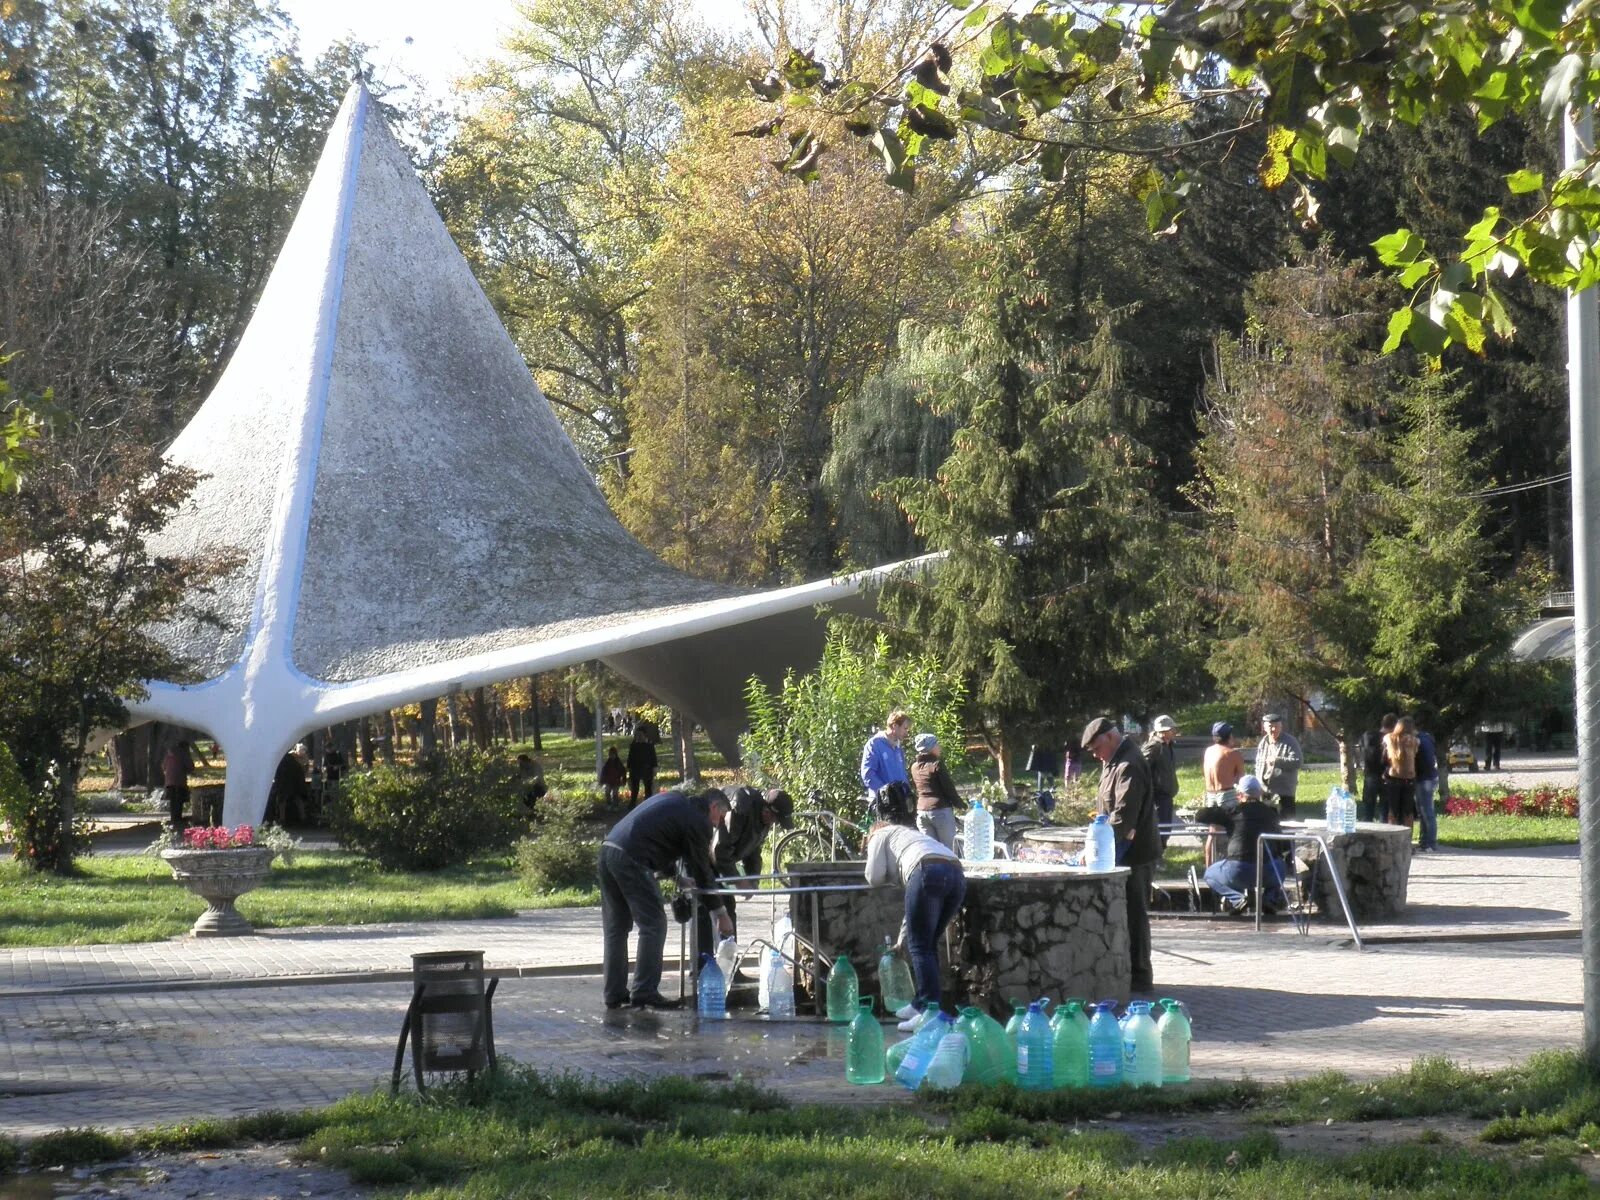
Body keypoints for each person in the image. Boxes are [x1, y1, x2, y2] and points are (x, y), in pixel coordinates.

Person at [599, 786, 734, 1010]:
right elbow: (702, 870)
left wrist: (678, 879)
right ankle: (644, 991)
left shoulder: (675, 802)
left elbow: (657, 838)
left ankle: (614, 993)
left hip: (608, 851)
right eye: (720, 817)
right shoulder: (698, 822)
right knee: (654, 924)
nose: (718, 824)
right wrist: (720, 913)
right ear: (712, 807)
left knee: (617, 928)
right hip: (631, 858)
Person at [1083, 716, 1160, 994]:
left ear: (1111, 738)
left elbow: (1123, 817)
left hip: (1136, 855)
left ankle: (1140, 977)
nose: (1094, 755)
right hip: (1121, 852)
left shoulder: (1129, 764)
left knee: (1135, 915)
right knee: (1124, 915)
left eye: (1095, 748)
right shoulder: (1113, 761)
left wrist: (1097, 847)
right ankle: (1127, 972)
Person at [863, 820, 965, 1024]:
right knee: (927, 943)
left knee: (921, 947)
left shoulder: (878, 836)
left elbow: (873, 877)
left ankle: (928, 1011)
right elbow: (914, 911)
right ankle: (921, 1004)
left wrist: (890, 878)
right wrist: (902, 941)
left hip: (927, 870)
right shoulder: (910, 835)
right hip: (956, 874)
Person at [695, 786, 795, 959]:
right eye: (774, 818)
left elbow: (753, 850)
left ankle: (728, 967)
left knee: (728, 909)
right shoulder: (741, 809)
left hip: (719, 860)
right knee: (705, 910)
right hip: (702, 855)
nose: (774, 823)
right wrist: (738, 881)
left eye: (776, 821)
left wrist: (752, 878)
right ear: (767, 809)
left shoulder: (764, 820)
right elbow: (719, 851)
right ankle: (702, 970)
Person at [1194, 774, 1287, 914]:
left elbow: (1200, 816)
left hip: (1238, 869)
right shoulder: (1271, 813)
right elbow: (1282, 844)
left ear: (1239, 795)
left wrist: (1221, 807)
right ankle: (1269, 898)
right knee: (1281, 865)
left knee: (1209, 874)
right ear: (1260, 793)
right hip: (1267, 870)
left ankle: (1238, 899)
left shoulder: (1234, 812)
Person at [910, 733, 963, 849]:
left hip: (921, 812)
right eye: (936, 744)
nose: (939, 747)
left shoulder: (914, 767)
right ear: (931, 748)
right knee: (948, 851)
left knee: (931, 851)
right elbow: (948, 788)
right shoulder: (936, 765)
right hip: (940, 811)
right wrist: (960, 804)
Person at [860, 709, 913, 826]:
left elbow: (902, 774)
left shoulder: (898, 748)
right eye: (905, 728)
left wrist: (907, 793)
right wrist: (887, 793)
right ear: (894, 726)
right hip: (884, 804)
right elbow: (868, 774)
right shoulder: (874, 744)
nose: (907, 732)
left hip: (901, 803)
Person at [1140, 715, 1180, 848]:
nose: (1174, 731)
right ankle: (1156, 859)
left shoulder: (1168, 746)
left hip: (1167, 796)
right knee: (1159, 830)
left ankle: (1160, 854)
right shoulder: (1154, 746)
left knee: (1166, 829)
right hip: (1157, 797)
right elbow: (1140, 768)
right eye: (1171, 729)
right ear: (1162, 731)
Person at [1254, 713, 1302, 820]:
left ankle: (1289, 837)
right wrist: (1258, 784)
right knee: (1268, 821)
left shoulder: (1290, 742)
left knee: (1287, 822)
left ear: (1281, 726)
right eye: (1271, 726)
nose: (1274, 729)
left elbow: (1298, 762)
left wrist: (1277, 761)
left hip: (1284, 790)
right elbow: (1258, 764)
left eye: (1277, 726)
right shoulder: (1263, 742)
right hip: (1265, 789)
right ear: (1265, 727)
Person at [1383, 715, 1420, 829]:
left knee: (1393, 810)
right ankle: (1407, 838)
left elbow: (1385, 756)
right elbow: (1416, 754)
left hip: (1394, 776)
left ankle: (1392, 835)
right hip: (1409, 778)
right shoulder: (1415, 741)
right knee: (1408, 811)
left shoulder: (1389, 738)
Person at [1359, 714, 1396, 823]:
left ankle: (1367, 830)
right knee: (1384, 808)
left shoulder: (1367, 735)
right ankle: (1382, 833)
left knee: (1368, 807)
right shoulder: (1390, 739)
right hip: (1386, 775)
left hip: (1370, 773)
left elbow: (1361, 749)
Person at [161, 740, 195, 833]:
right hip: (179, 781)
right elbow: (191, 767)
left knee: (172, 800)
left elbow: (163, 766)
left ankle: (173, 818)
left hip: (169, 781)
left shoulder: (169, 754)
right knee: (179, 800)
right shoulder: (183, 754)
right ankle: (178, 819)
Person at [267, 748, 309, 826]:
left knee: (282, 800)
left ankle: (282, 818)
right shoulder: (292, 760)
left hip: (285, 782)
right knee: (297, 799)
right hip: (296, 781)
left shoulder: (280, 760)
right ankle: (303, 817)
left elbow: (278, 773)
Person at [1414, 725, 1439, 852]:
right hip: (1427, 777)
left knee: (1427, 811)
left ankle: (1430, 842)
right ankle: (1424, 841)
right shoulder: (1426, 738)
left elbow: (1428, 762)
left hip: (1425, 778)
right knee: (1422, 811)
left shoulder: (1420, 741)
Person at [626, 728, 658, 809]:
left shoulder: (649, 745)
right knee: (634, 787)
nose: (639, 736)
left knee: (648, 787)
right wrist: (628, 768)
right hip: (635, 768)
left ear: (644, 735)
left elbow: (653, 758)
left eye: (640, 735)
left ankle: (648, 803)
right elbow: (630, 758)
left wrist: (654, 768)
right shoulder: (633, 746)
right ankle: (632, 803)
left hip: (646, 768)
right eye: (637, 735)